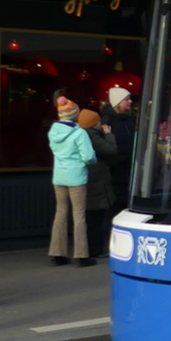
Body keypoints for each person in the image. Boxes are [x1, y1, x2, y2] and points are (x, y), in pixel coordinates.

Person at [49, 94, 96, 267]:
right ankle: (81, 255)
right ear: (75, 115)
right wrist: (91, 162)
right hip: (76, 177)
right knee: (79, 215)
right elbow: (88, 157)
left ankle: (57, 253)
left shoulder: (53, 132)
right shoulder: (79, 133)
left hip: (59, 176)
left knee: (60, 213)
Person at [79, 108, 117, 258]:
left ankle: (91, 247)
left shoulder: (82, 135)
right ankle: (96, 248)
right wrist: (109, 135)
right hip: (96, 180)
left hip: (87, 179)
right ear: (93, 123)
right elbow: (111, 150)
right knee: (96, 217)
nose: (101, 123)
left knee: (90, 216)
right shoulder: (93, 136)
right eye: (98, 121)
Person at [101, 86, 137, 209]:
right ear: (117, 102)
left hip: (130, 164)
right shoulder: (107, 121)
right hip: (115, 167)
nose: (130, 101)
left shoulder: (130, 118)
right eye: (126, 99)